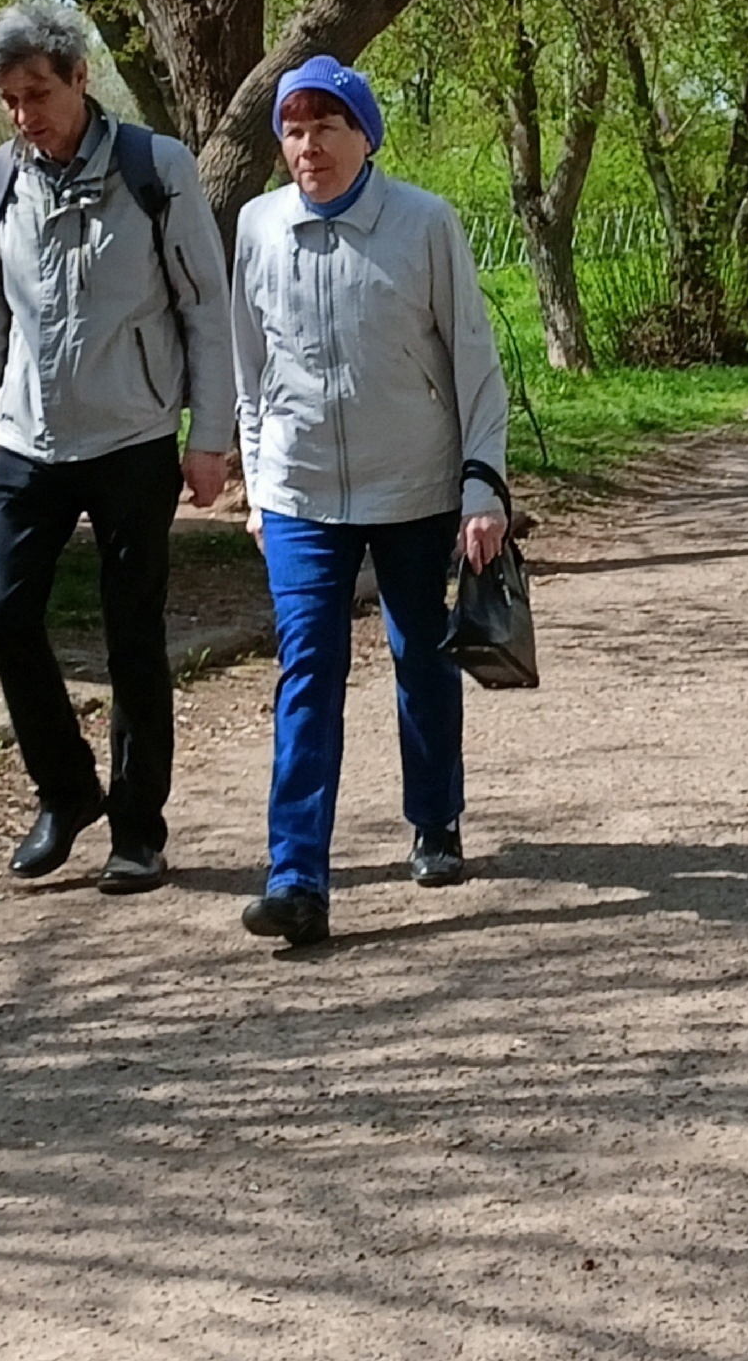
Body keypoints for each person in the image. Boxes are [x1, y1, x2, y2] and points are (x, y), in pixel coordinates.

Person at [0, 0, 236, 895]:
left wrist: (209, 438)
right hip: (29, 440)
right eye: (8, 99)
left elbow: (205, 312)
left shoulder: (154, 168)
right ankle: (66, 795)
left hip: (134, 434)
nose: (25, 114)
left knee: (132, 633)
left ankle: (139, 829)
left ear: (78, 78)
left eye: (37, 93)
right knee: (1, 616)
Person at [229, 54, 510, 947]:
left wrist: (482, 483)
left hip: (415, 486)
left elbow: (475, 358)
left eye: (326, 126)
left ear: (364, 134)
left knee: (420, 654)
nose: (307, 146)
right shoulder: (259, 227)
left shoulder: (424, 224)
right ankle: (297, 875)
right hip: (301, 491)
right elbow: (248, 368)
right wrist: (256, 479)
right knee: (306, 670)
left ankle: (434, 820)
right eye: (293, 129)